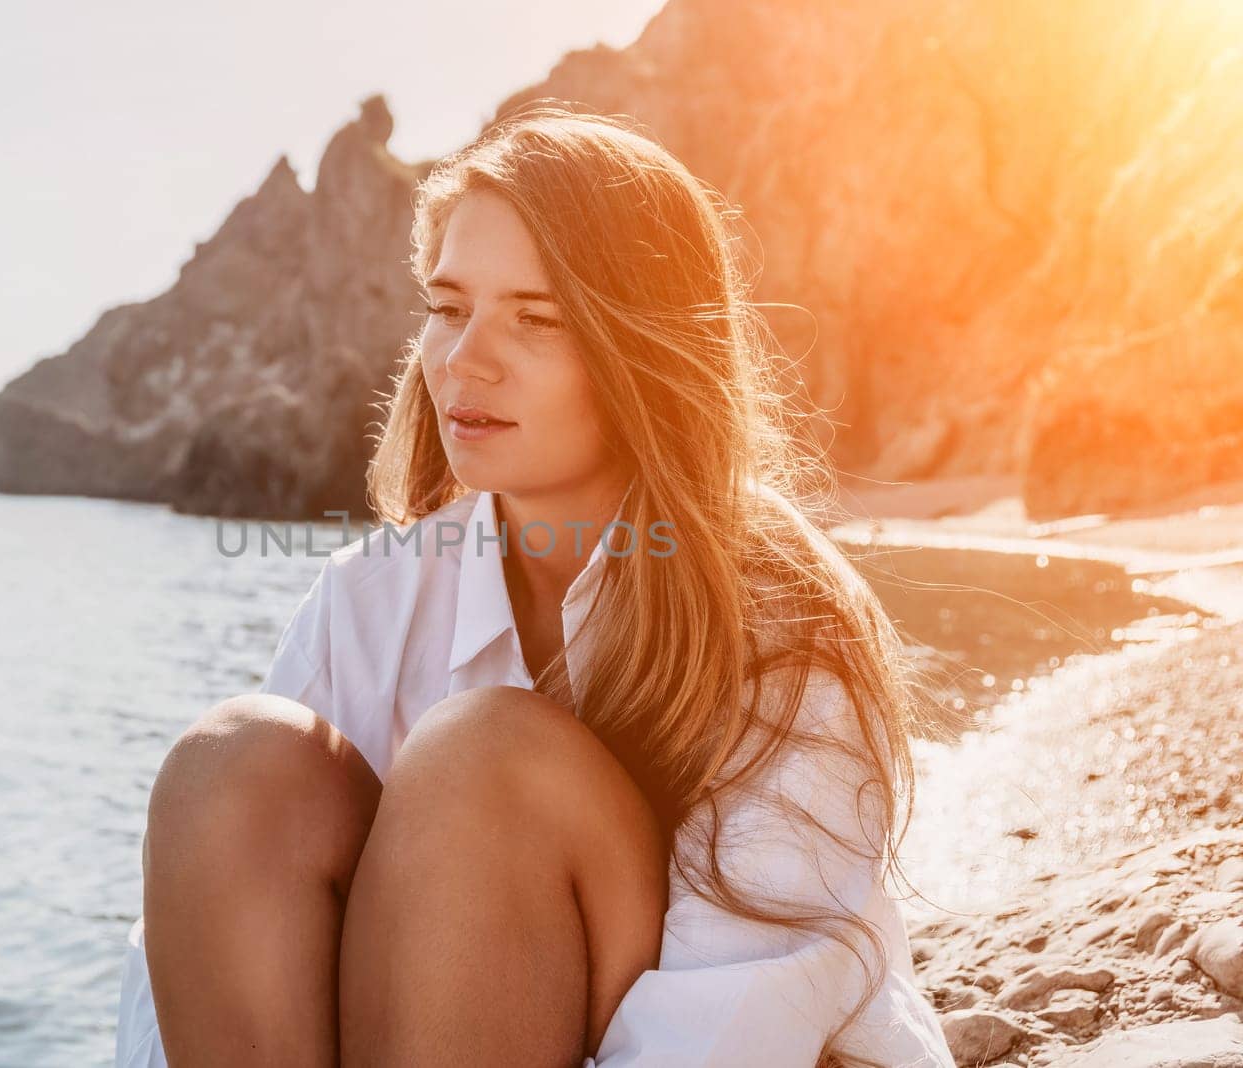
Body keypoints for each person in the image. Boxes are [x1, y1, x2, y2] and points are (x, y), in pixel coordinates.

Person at [114, 102, 957, 1068]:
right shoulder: (368, 598)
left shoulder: (774, 608)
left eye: (537, 318)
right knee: (235, 764)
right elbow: (216, 951)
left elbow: (745, 1013)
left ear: (642, 351)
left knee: (483, 757)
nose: (465, 359)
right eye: (447, 308)